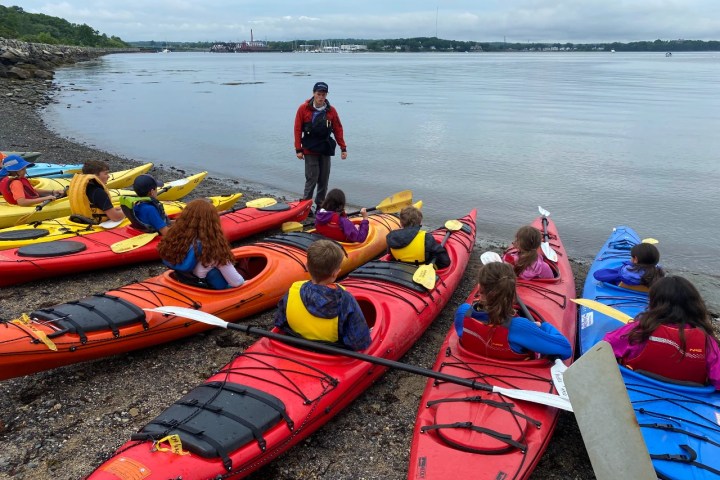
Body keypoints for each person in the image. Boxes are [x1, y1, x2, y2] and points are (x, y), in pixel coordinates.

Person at [604, 276, 720, 388]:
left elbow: (605, 346)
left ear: (655, 303)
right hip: (687, 399)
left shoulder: (642, 329)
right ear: (695, 306)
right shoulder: (707, 341)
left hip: (637, 387)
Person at [453, 262, 572, 360]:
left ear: (479, 288)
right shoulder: (520, 327)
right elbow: (565, 349)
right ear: (511, 293)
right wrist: (543, 326)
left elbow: (461, 334)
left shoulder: (463, 312)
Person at [274, 239, 370, 351]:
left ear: (307, 267)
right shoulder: (345, 300)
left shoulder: (293, 290)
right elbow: (360, 342)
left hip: (296, 346)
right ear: (335, 273)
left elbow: (280, 322)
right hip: (330, 354)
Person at [158, 198, 244, 289]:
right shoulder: (214, 249)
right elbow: (236, 282)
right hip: (208, 289)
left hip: (185, 280)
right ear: (213, 222)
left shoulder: (175, 239)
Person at [294, 81, 347, 214]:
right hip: (309, 148)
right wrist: (298, 149)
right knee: (312, 178)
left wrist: (343, 148)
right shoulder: (303, 108)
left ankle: (320, 206)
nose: (321, 97)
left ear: (326, 95)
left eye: (323, 94)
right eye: (318, 94)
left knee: (323, 179)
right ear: (313, 93)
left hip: (324, 148)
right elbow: (297, 129)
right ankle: (305, 206)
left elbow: (338, 129)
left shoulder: (331, 111)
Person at [386, 205, 450, 269]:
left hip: (400, 270)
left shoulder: (391, 237)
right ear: (419, 222)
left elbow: (390, 254)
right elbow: (445, 262)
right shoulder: (426, 238)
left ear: (401, 223)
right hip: (420, 272)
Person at [0, 154, 65, 206]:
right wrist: (44, 199)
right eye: (22, 169)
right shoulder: (16, 183)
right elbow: (22, 202)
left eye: (25, 169)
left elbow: (30, 190)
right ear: (13, 170)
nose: (25, 172)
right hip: (20, 207)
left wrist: (52, 192)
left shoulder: (10, 178)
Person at [593, 242, 664, 289]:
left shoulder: (625, 273)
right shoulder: (659, 275)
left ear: (635, 259)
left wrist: (625, 266)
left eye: (631, 257)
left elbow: (598, 275)